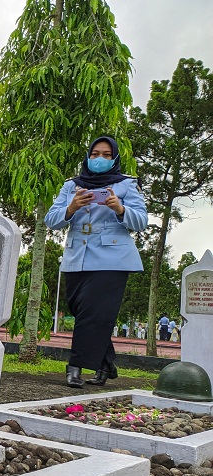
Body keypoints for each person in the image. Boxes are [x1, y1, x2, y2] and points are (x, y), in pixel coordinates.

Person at [44, 136, 147, 388]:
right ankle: (105, 364)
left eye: (106, 155)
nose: (99, 159)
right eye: (95, 154)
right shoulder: (71, 186)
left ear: (115, 159)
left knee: (91, 314)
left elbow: (142, 221)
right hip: (75, 259)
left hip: (112, 260)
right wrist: (71, 207)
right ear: (88, 156)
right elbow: (51, 219)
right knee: (88, 314)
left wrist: (120, 208)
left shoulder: (127, 185)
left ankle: (75, 367)